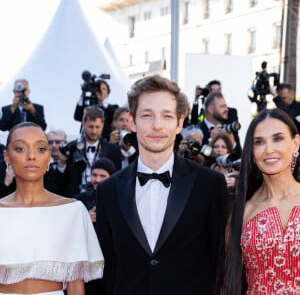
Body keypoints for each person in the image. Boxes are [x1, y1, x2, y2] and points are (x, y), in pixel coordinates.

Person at [96, 75, 228, 295]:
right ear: (132, 121)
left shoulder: (210, 185)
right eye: (147, 116)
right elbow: (106, 270)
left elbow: (221, 264)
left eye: (166, 116)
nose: (157, 126)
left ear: (179, 123)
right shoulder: (108, 190)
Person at [0, 122, 104, 295]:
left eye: (40, 149)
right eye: (20, 149)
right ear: (7, 157)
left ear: (49, 157)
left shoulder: (72, 212)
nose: (31, 156)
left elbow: (75, 284)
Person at [224, 108, 300, 294]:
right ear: (251, 151)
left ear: (296, 143)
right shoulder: (242, 213)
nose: (269, 150)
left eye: (278, 139)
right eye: (259, 142)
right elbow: (229, 281)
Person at [64, 106, 121, 197]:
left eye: (97, 127)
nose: (94, 131)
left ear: (103, 125)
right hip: (76, 198)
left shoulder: (113, 150)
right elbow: (65, 179)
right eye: (91, 126)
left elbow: (117, 179)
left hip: (104, 198)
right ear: (83, 124)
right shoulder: (71, 148)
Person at [198, 91, 242, 157]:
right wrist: (211, 141)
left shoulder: (228, 128)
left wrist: (233, 143)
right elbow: (199, 159)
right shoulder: (198, 130)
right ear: (211, 109)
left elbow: (239, 156)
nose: (227, 109)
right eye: (222, 107)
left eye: (226, 106)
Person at [209, 132, 239, 197]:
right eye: (216, 147)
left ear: (228, 150)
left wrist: (237, 183)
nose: (219, 150)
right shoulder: (208, 168)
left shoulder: (235, 169)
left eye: (224, 147)